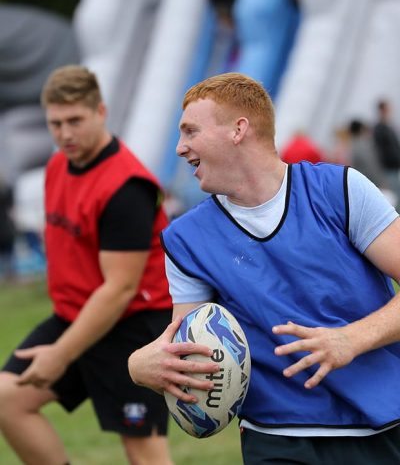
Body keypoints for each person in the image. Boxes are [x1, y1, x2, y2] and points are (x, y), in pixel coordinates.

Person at [128, 72, 400, 465]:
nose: (180, 147)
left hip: (382, 427)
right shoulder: (187, 240)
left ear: (239, 129)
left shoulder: (339, 190)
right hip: (275, 438)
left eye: (190, 132)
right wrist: (140, 366)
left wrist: (350, 340)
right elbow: (193, 352)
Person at [0, 65, 173, 465]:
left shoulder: (127, 187)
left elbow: (119, 289)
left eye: (75, 120)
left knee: (144, 451)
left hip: (131, 326)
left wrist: (61, 354)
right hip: (75, 316)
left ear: (101, 112)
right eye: (55, 123)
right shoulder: (58, 165)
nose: (64, 134)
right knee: (8, 398)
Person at [373, 99, 400, 207]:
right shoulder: (379, 128)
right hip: (388, 167)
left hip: (395, 166)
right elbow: (380, 150)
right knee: (394, 194)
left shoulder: (388, 126)